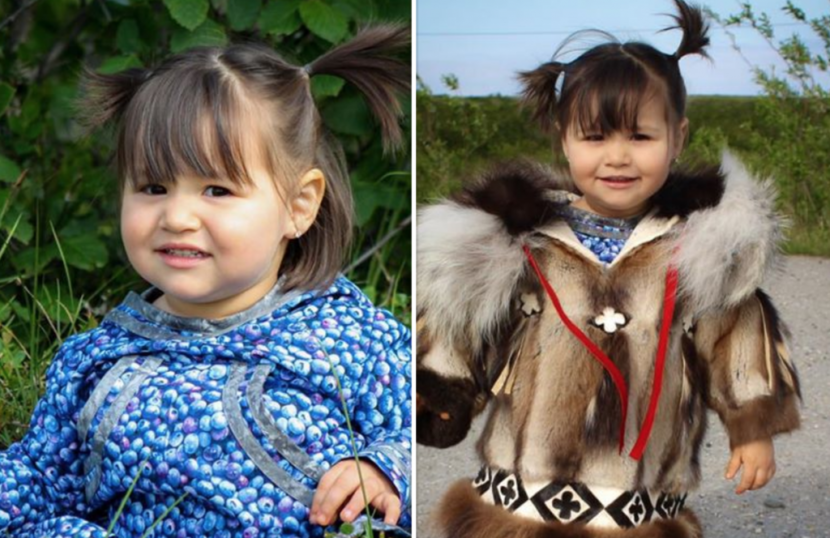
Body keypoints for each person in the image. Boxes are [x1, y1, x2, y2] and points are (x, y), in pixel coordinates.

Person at [0, 25, 411, 538]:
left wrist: (384, 469)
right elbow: (37, 479)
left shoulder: (349, 337)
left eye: (216, 189)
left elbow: (421, 430)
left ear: (299, 206)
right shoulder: (96, 360)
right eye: (153, 186)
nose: (176, 216)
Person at [416, 2, 800, 537]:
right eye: (595, 137)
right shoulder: (519, 242)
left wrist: (751, 426)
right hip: (519, 499)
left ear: (678, 136)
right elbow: (464, 324)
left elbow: (736, 340)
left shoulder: (701, 254)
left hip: (636, 504)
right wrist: (437, 390)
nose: (617, 157)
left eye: (640, 138)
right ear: (564, 137)